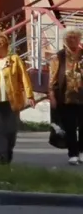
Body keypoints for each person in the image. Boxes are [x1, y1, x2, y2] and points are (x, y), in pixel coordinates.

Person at [0, 31, 32, 165]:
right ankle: (2, 157)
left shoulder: (14, 59)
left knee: (11, 130)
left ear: (2, 45)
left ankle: (8, 152)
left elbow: (24, 78)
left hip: (12, 101)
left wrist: (29, 95)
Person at [51, 28, 83, 165]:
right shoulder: (58, 56)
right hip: (66, 97)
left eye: (75, 37)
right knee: (70, 127)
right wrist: (51, 95)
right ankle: (73, 154)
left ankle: (82, 151)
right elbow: (52, 79)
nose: (72, 40)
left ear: (79, 38)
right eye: (69, 37)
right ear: (65, 40)